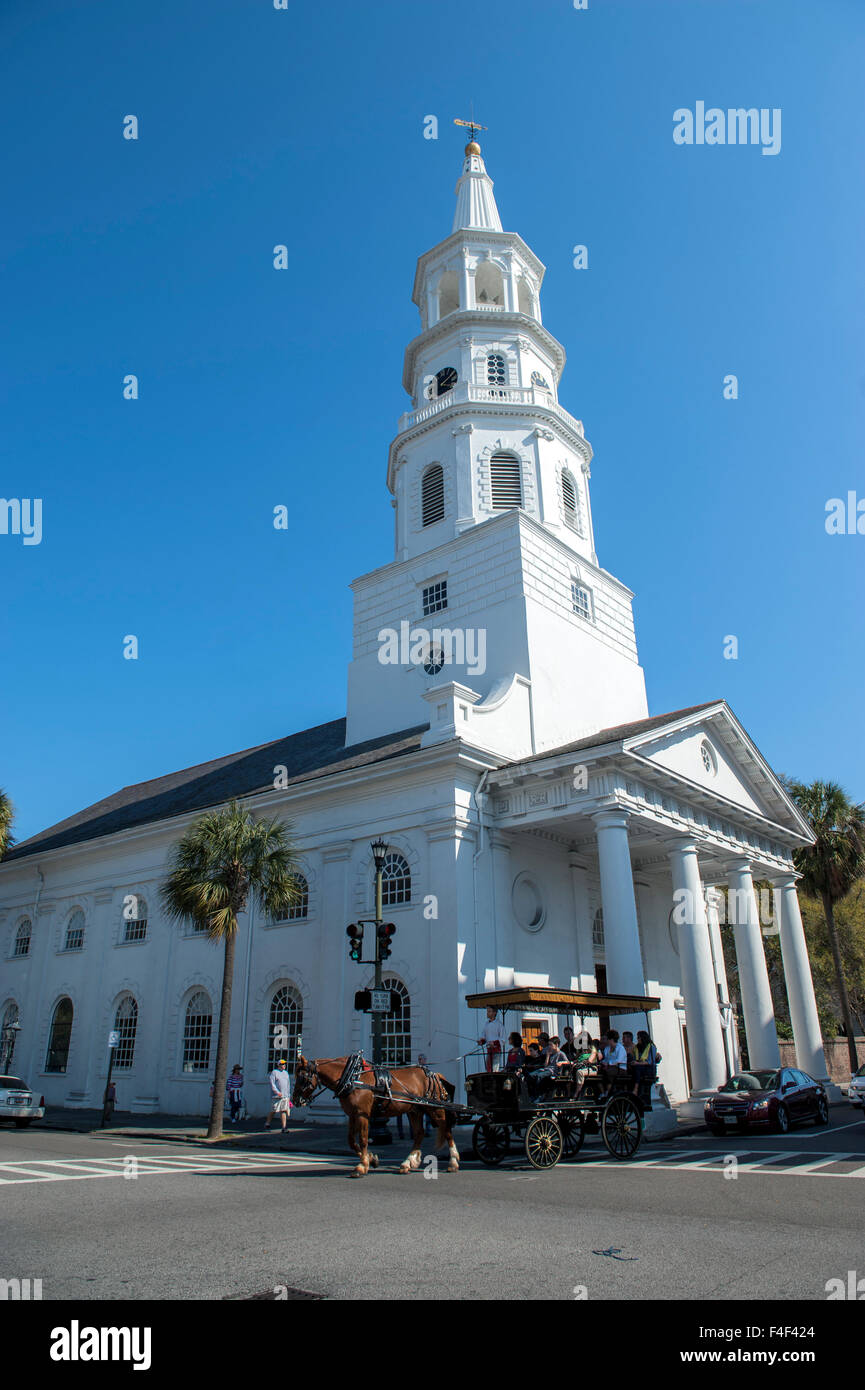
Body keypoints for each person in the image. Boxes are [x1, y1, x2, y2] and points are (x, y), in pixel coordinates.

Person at [527, 1036, 570, 1101]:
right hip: (546, 1069)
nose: (549, 1046)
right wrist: (548, 1056)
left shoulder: (561, 1054)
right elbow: (546, 1065)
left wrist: (561, 1062)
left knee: (539, 1076)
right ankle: (532, 1094)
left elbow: (568, 1062)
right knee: (530, 1075)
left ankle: (540, 1095)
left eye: (551, 1045)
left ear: (556, 1045)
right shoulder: (551, 1054)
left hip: (553, 1071)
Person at [265, 1058, 292, 1132]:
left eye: (284, 1064)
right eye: (282, 1064)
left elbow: (288, 1084)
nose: (284, 1065)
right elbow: (272, 1083)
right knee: (273, 1110)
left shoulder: (286, 1073)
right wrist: (277, 1092)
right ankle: (267, 1123)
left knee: (283, 1111)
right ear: (279, 1065)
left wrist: (288, 1095)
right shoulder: (274, 1072)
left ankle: (284, 1127)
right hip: (276, 1096)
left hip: (284, 1096)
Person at [632, 1031, 662, 1097]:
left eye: (639, 1038)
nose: (638, 1039)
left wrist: (637, 1063)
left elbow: (649, 1061)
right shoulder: (637, 1048)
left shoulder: (651, 1047)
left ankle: (636, 1088)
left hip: (649, 1069)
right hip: (640, 1066)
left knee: (637, 1068)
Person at [478, 1005, 507, 1073]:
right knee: (488, 1068)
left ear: (494, 1013)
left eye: (489, 1011)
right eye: (487, 1011)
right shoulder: (486, 1024)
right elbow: (484, 1037)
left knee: (494, 1069)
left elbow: (503, 1039)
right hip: (489, 1050)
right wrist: (481, 1041)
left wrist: (494, 1043)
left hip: (496, 1050)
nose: (487, 1013)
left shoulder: (499, 1024)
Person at [599, 1030, 628, 1096]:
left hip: (620, 1068)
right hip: (609, 1067)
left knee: (609, 1072)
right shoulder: (607, 1048)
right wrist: (602, 1063)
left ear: (611, 1039)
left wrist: (609, 1063)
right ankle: (602, 1092)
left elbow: (619, 1060)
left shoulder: (620, 1048)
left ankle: (608, 1092)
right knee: (599, 1072)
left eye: (607, 1039)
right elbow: (606, 1059)